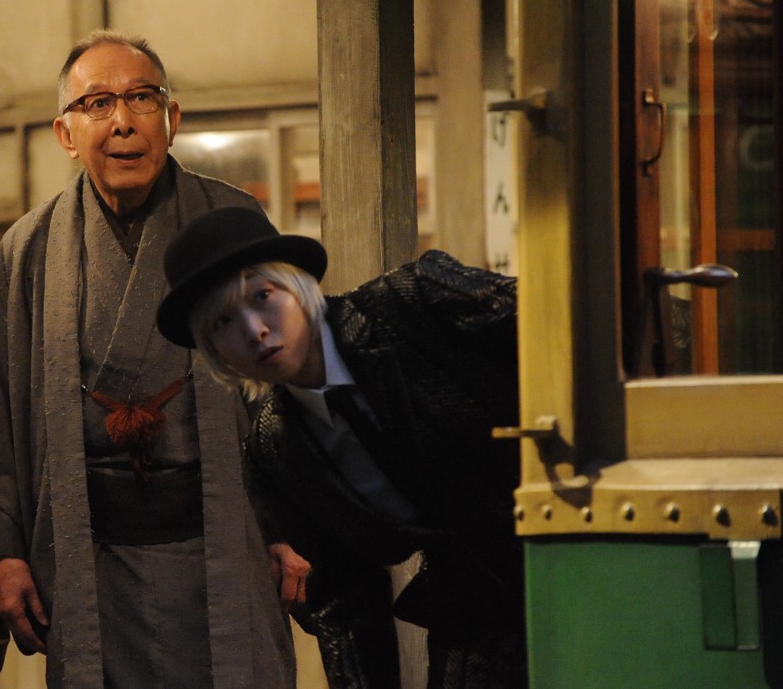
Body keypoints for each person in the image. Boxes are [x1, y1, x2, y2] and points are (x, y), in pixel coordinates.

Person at [0, 31, 296, 689]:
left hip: (225, 542)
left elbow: (293, 385)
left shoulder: (233, 221)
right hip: (91, 558)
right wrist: (1, 552)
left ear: (172, 118)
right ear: (65, 132)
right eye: (98, 103)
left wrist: (299, 523)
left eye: (141, 98)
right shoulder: (28, 250)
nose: (121, 122)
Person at [156, 206, 527, 689]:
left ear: (299, 285)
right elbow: (346, 602)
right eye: (223, 323)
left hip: (579, 541)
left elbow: (557, 325)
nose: (254, 330)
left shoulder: (407, 300)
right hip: (480, 615)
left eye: (263, 297)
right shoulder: (275, 446)